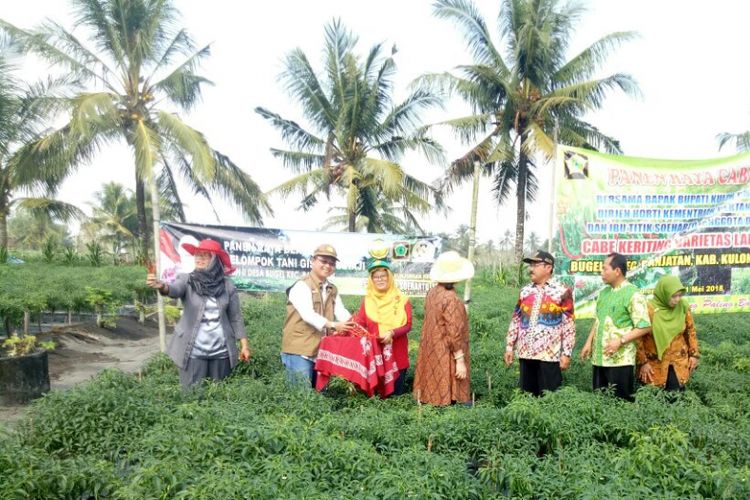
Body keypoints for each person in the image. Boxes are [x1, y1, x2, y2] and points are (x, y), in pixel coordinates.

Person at [147, 238, 250, 389]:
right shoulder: (187, 280)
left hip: (221, 352)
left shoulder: (227, 286)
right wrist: (162, 286)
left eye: (205, 255)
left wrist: (244, 345)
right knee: (192, 397)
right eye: (197, 255)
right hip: (193, 352)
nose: (199, 258)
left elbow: (235, 317)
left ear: (215, 260)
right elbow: (174, 290)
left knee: (219, 396)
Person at [281, 244, 354, 387]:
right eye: (324, 261)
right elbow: (308, 314)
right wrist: (333, 325)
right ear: (313, 261)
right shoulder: (301, 285)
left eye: (332, 263)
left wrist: (355, 325)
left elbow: (341, 311)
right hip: (299, 350)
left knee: (319, 395)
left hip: (320, 350)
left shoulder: (332, 289)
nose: (328, 266)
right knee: (301, 397)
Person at [580, 252, 651, 401]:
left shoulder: (633, 294)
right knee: (600, 401)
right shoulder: (604, 293)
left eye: (605, 269)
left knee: (620, 403)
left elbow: (644, 326)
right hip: (599, 359)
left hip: (620, 361)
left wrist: (621, 341)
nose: (601, 273)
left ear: (617, 271)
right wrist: (588, 342)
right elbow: (598, 319)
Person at [504, 250, 575, 396]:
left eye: (535, 265)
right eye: (531, 265)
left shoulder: (562, 291)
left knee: (549, 398)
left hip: (549, 356)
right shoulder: (525, 291)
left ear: (548, 268)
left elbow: (569, 325)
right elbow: (516, 319)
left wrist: (566, 353)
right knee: (527, 397)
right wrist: (510, 347)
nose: (531, 269)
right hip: (525, 354)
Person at [413, 251, 474, 406]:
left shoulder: (432, 293)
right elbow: (454, 333)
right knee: (451, 389)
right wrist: (460, 360)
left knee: (434, 388)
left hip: (432, 349)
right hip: (446, 351)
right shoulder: (451, 298)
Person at [351, 258, 412, 396]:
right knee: (376, 398)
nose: (380, 279)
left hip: (397, 353)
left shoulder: (402, 299)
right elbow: (360, 324)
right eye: (376, 277)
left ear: (389, 277)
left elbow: (408, 325)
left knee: (396, 398)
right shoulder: (367, 301)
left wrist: (392, 332)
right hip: (375, 355)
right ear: (371, 280)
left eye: (383, 276)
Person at [637, 275, 700, 391]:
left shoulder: (683, 306)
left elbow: (690, 331)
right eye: (673, 296)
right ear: (663, 294)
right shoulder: (648, 309)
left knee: (677, 398)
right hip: (654, 365)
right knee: (653, 399)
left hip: (678, 362)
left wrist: (694, 354)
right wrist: (642, 363)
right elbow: (638, 338)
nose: (677, 299)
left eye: (679, 295)